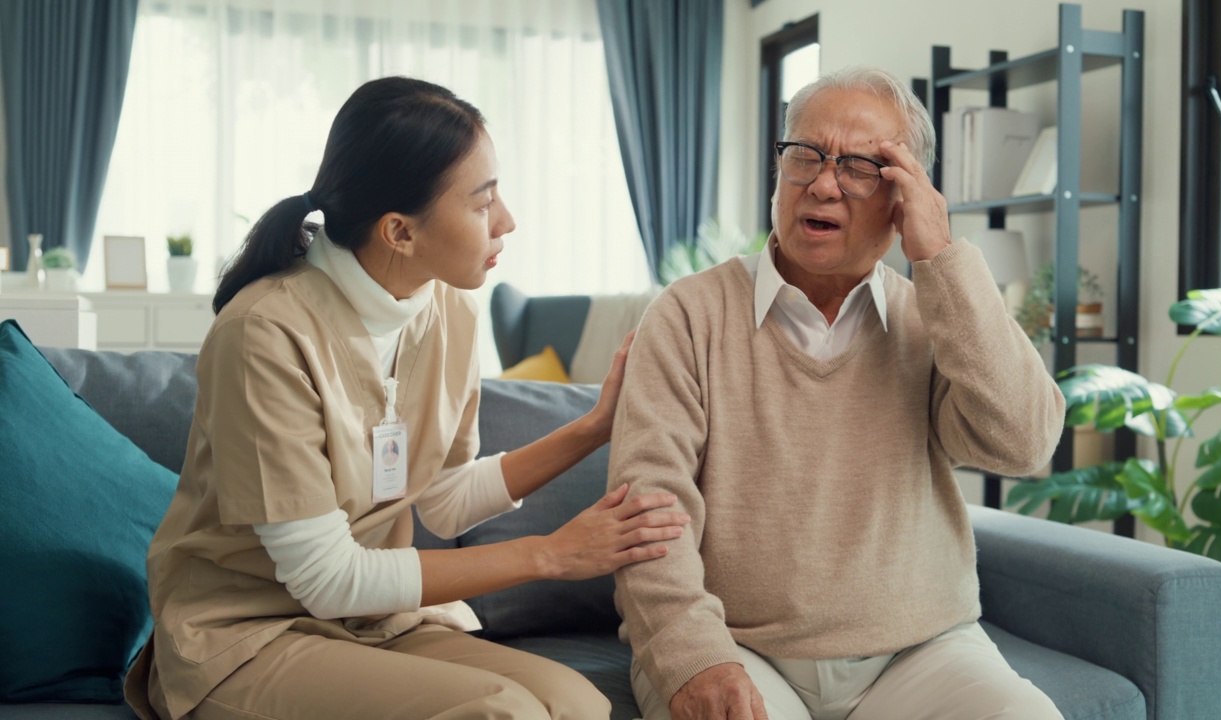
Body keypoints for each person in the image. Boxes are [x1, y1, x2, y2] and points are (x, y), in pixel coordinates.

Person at [124, 76, 689, 720]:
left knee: (580, 706)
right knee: (509, 714)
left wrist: (595, 427)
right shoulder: (264, 334)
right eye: (482, 204)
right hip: (245, 634)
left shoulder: (451, 309)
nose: (507, 221)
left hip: (375, 620)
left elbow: (442, 503)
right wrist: (552, 553)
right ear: (399, 231)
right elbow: (327, 579)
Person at [607, 66, 1068, 720]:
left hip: (921, 649)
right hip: (737, 645)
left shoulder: (932, 315)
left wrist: (941, 258)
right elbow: (649, 508)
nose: (823, 184)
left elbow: (1023, 444)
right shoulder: (687, 314)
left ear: (906, 195)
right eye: (806, 156)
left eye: (858, 166)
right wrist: (692, 653)